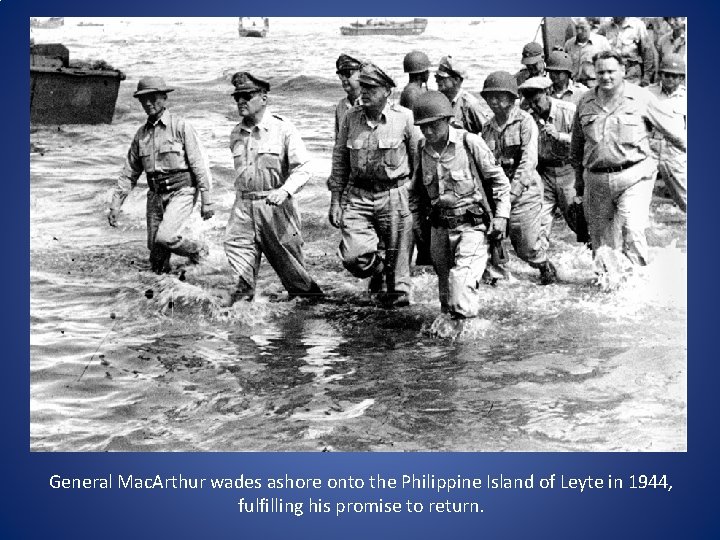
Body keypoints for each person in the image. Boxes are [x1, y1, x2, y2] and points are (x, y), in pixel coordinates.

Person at [570, 51, 686, 266]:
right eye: (601, 72)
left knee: (632, 229)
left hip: (634, 176)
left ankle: (638, 285)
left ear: (622, 71)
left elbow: (677, 134)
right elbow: (577, 147)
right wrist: (578, 182)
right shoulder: (585, 102)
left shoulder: (641, 98)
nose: (606, 77)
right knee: (602, 243)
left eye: (611, 72)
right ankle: (609, 287)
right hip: (596, 181)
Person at [222, 72, 323, 304]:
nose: (240, 101)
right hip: (244, 208)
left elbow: (305, 167)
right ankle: (242, 309)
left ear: (264, 98)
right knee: (237, 259)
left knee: (295, 277)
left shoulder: (283, 129)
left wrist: (285, 191)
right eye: (237, 97)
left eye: (246, 96)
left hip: (275, 206)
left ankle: (311, 315)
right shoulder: (236, 133)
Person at [410, 91, 511, 319]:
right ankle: (453, 345)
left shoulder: (469, 142)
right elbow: (415, 194)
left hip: (471, 226)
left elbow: (500, 182)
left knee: (461, 287)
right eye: (422, 127)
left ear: (447, 119)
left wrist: (501, 217)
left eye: (433, 125)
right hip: (439, 230)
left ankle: (471, 346)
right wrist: (418, 228)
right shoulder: (421, 149)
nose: (427, 131)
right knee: (446, 298)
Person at [329, 62, 419, 307]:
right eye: (363, 86)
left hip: (395, 195)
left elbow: (419, 160)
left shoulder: (404, 118)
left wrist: (416, 200)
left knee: (399, 284)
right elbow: (340, 161)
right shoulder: (350, 118)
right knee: (353, 256)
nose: (365, 91)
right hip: (359, 196)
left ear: (387, 91)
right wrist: (336, 201)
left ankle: (395, 336)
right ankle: (377, 270)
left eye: (372, 87)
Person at [108, 76, 214, 274]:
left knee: (166, 237)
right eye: (143, 99)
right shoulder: (141, 135)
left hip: (182, 191)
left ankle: (198, 250)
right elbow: (129, 172)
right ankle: (166, 294)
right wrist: (115, 204)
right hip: (155, 195)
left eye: (153, 97)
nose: (148, 103)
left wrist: (207, 201)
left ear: (164, 98)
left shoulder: (181, 127)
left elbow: (200, 164)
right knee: (156, 259)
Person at [481, 71, 558, 284]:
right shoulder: (486, 129)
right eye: (490, 97)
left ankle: (544, 265)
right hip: (498, 195)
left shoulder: (525, 122)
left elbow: (528, 162)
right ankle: (496, 281)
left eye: (500, 96)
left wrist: (511, 196)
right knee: (493, 241)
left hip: (524, 193)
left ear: (512, 98)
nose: (494, 102)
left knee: (527, 248)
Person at [518, 76, 585, 247]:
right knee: (538, 227)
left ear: (547, 92)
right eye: (529, 103)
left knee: (580, 224)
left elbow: (587, 142)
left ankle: (598, 264)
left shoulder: (569, 111)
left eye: (536, 101)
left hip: (568, 173)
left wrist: (560, 136)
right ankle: (544, 268)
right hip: (544, 175)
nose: (534, 106)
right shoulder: (527, 116)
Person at [647, 54, 687, 212]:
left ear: (681, 78)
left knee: (685, 196)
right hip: (650, 148)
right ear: (660, 75)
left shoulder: (687, 97)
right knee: (638, 192)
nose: (670, 79)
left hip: (674, 150)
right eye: (667, 75)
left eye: (675, 76)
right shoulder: (648, 93)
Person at [435, 56, 489, 134]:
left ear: (456, 80)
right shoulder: (438, 101)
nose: (437, 80)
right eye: (437, 77)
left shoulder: (469, 104)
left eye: (441, 78)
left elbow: (488, 131)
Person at [598, 17, 655, 86]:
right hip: (610, 75)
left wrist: (647, 77)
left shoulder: (637, 25)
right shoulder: (605, 27)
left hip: (632, 75)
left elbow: (647, 52)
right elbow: (597, 52)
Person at [334, 54, 363, 139]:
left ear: (361, 74)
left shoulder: (371, 102)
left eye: (347, 74)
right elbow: (338, 143)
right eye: (341, 75)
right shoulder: (341, 106)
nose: (344, 79)